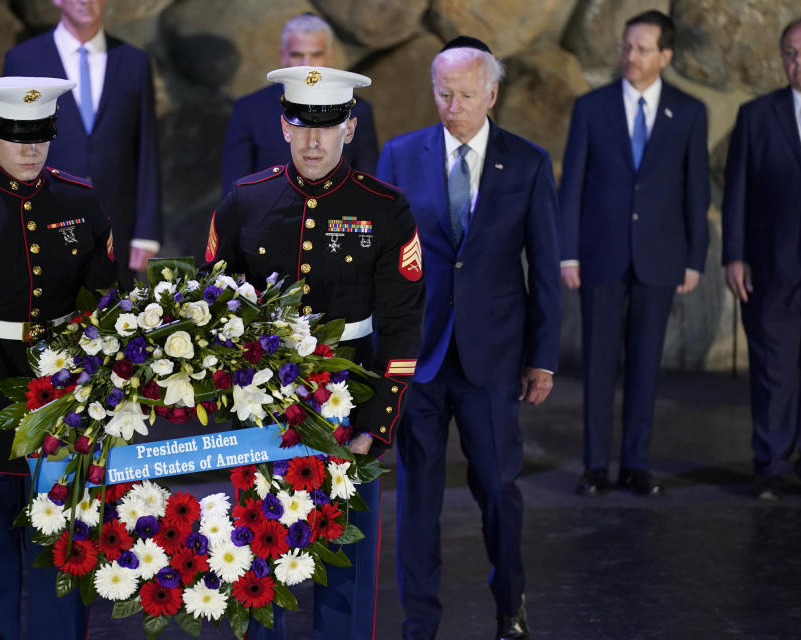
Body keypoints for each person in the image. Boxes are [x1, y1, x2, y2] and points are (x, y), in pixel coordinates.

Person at [204, 66, 424, 640]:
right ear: (283, 125)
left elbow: (402, 328)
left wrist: (374, 426)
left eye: (327, 128)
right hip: (263, 411)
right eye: (300, 125)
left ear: (350, 129)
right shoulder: (246, 200)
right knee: (257, 559)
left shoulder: (385, 207)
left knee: (345, 568)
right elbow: (211, 308)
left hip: (350, 408)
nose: (312, 141)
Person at [377, 36, 562, 640]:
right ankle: (418, 623)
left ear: (492, 94)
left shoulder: (528, 163)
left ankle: (511, 604)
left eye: (463, 94)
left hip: (495, 356)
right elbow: (380, 261)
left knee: (499, 490)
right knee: (417, 500)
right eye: (442, 92)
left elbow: (545, 265)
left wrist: (543, 358)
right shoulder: (400, 155)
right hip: (419, 358)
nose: (451, 104)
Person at [0, 76, 117, 638]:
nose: (30, 148)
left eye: (40, 134)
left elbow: (104, 300)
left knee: (64, 564)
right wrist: (2, 409)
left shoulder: (79, 198)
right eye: (14, 134)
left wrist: (82, 393)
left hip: (68, 404)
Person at [559, 10, 710, 497]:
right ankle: (596, 466)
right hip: (600, 255)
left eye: (642, 48)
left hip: (661, 257)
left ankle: (637, 464)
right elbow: (573, 187)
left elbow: (696, 190)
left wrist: (694, 258)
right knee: (598, 364)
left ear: (665, 55)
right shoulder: (591, 107)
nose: (631, 56)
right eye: (626, 46)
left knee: (646, 364)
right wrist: (568, 253)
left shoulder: (689, 112)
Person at [722, 15, 801, 502]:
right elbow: (737, 192)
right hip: (771, 270)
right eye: (789, 53)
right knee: (772, 373)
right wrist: (734, 255)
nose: (798, 61)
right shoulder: (756, 115)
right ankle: (769, 465)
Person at [3, 0, 161, 285]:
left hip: (117, 228)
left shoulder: (133, 61)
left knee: (116, 321)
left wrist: (147, 232)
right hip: (42, 222)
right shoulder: (23, 60)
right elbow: (9, 149)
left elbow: (147, 150)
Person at [220, 12, 379, 197]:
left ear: (330, 54)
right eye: (297, 55)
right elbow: (235, 193)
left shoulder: (357, 109)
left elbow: (368, 188)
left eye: (316, 54)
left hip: (335, 222)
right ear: (283, 55)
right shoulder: (248, 110)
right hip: (268, 222)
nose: (307, 64)